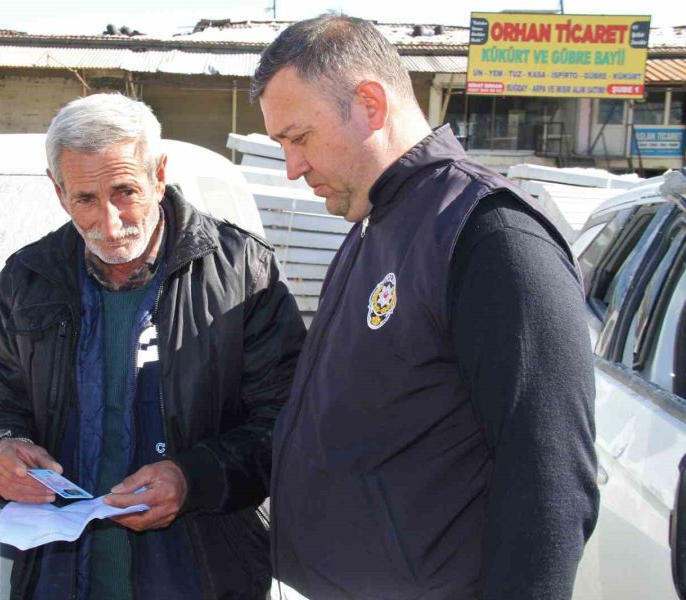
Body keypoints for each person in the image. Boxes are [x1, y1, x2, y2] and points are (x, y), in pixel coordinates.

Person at [251, 14, 599, 600]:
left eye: (300, 137)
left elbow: (551, 481)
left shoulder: (489, 236)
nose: (292, 168)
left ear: (370, 104)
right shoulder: (378, 223)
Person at [0, 93, 305, 600]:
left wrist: (192, 479)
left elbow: (289, 426)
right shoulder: (28, 278)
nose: (109, 222)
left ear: (159, 174)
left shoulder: (243, 274)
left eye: (124, 191)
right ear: (58, 192)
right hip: (59, 580)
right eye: (85, 199)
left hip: (206, 578)